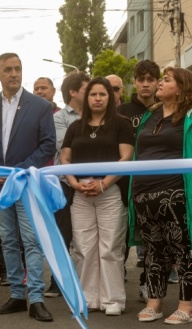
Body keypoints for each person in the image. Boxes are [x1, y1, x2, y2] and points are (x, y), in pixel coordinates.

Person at [132, 67, 192, 324]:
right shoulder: (151, 114)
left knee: (187, 250)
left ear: (181, 87)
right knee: (154, 252)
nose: (160, 84)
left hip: (180, 195)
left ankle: (187, 307)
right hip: (145, 195)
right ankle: (154, 304)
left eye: (166, 80)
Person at [0, 52, 56, 322]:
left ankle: (36, 298)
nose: (14, 73)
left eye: (18, 68)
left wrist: (21, 169)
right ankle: (18, 295)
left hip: (27, 184)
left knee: (31, 241)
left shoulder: (40, 106)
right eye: (8, 69)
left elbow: (47, 145)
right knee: (8, 241)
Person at [60, 77, 134, 315]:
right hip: (80, 193)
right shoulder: (75, 127)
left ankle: (113, 300)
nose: (98, 98)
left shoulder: (121, 125)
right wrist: (75, 185)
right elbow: (65, 160)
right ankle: (87, 298)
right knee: (83, 247)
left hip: (110, 190)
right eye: (93, 94)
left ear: (110, 98)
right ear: (86, 97)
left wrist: (103, 184)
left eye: (103, 94)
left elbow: (126, 158)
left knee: (110, 247)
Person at [118, 59, 161, 302]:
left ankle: (148, 283)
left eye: (150, 79)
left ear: (157, 82)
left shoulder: (165, 109)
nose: (145, 84)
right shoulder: (122, 111)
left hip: (155, 184)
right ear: (134, 82)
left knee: (152, 238)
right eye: (141, 79)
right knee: (121, 237)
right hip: (124, 183)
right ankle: (118, 276)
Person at [45, 71, 90, 298]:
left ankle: (87, 281)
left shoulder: (98, 116)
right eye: (86, 88)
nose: (92, 92)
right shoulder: (59, 118)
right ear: (73, 92)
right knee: (62, 234)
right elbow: (66, 147)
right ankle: (58, 280)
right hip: (64, 184)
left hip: (92, 183)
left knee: (88, 235)